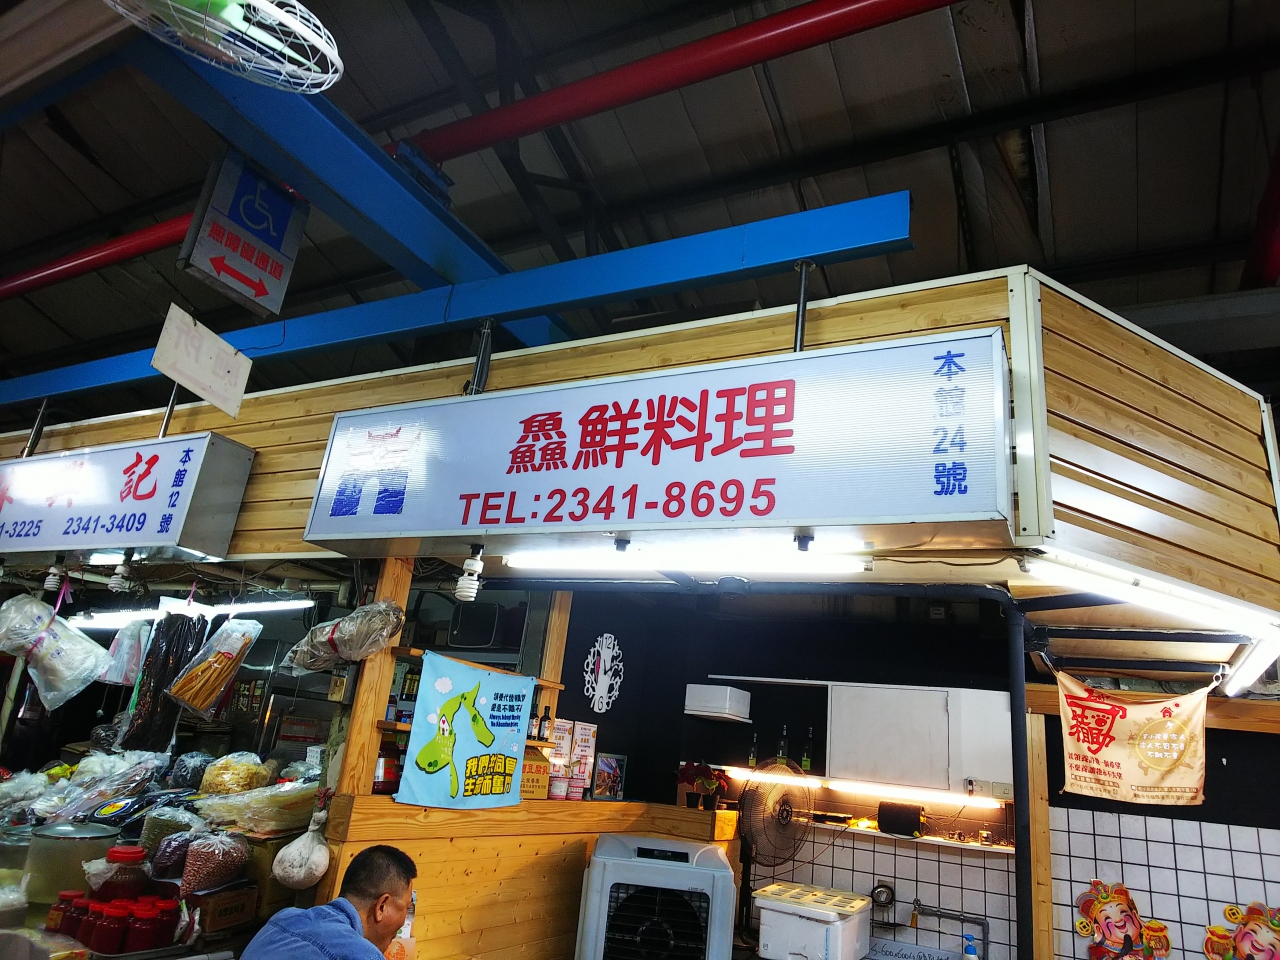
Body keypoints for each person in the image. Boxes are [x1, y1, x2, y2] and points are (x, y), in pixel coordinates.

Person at [241, 845, 416, 960]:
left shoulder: (284, 917)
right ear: (382, 906)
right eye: (407, 907)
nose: (404, 920)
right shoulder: (362, 955)